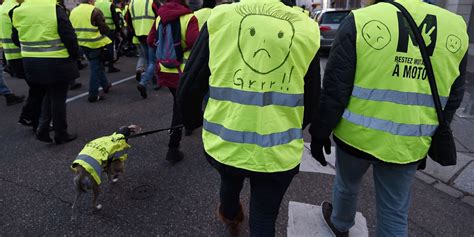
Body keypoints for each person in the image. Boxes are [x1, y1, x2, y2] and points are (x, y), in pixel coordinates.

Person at [309, 0, 469, 236]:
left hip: (356, 137)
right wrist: (431, 135)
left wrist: (320, 131)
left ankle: (340, 223)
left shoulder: (360, 20)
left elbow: (335, 88)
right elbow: (454, 96)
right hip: (409, 142)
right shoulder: (455, 26)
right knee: (394, 211)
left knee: (347, 186)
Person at [178, 0, 321, 235]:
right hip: (278, 149)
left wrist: (192, 121)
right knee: (264, 217)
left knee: (229, 182)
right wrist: (295, 124)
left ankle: (231, 215)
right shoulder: (305, 26)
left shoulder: (221, 17)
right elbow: (313, 97)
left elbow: (191, 83)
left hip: (226, 139)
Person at [12, 0, 80, 144]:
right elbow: (68, 35)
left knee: (48, 94)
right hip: (57, 61)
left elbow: (16, 39)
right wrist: (75, 55)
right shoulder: (53, 8)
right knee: (58, 99)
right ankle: (60, 133)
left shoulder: (19, 10)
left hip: (31, 61)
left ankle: (42, 128)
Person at [152, 0, 198, 163]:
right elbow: (195, 42)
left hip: (165, 69)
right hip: (182, 71)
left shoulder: (159, 17)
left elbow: (151, 40)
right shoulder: (188, 18)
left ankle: (189, 125)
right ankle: (173, 147)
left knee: (179, 103)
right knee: (179, 108)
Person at [70, 0, 113, 103]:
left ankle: (105, 85)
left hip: (81, 43)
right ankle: (93, 95)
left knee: (97, 65)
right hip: (94, 43)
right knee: (95, 68)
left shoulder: (73, 11)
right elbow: (103, 28)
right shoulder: (94, 11)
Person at [125, 0, 160, 97]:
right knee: (153, 61)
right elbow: (160, 17)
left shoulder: (132, 3)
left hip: (140, 35)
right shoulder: (152, 2)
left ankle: (155, 83)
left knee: (149, 60)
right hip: (152, 34)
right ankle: (143, 83)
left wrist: (135, 31)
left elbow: (127, 19)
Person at [95, 0, 121, 72]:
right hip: (109, 29)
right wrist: (118, 29)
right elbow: (115, 18)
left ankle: (102, 64)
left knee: (101, 47)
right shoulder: (109, 4)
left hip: (98, 30)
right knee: (110, 48)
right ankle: (110, 66)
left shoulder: (95, 3)